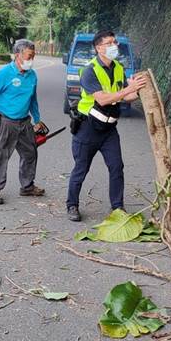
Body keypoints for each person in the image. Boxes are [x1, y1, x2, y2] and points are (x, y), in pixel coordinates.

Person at [66, 30, 147, 221]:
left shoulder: (118, 68)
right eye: (110, 43)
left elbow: (123, 96)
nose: (114, 46)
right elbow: (102, 99)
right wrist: (129, 89)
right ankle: (72, 205)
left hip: (109, 129)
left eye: (115, 43)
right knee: (81, 168)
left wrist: (139, 90)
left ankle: (117, 207)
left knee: (116, 166)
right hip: (88, 128)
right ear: (99, 48)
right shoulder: (89, 71)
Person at [0, 39, 47, 205]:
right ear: (18, 55)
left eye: (33, 56)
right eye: (29, 56)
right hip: (6, 122)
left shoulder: (32, 75)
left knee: (30, 153)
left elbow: (33, 99)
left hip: (25, 123)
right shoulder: (4, 74)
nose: (31, 60)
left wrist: (37, 119)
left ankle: (27, 186)